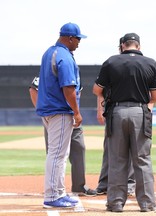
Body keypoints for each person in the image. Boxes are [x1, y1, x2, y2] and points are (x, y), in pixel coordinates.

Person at [93, 33, 156, 212]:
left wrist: (101, 109)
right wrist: (145, 110)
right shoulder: (151, 63)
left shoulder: (111, 62)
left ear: (123, 45)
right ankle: (146, 203)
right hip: (140, 111)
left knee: (117, 159)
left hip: (117, 112)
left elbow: (97, 89)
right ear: (138, 46)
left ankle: (115, 203)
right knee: (142, 160)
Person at [36, 22, 87, 208]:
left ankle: (59, 192)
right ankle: (51, 196)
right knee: (57, 155)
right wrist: (77, 112)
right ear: (70, 38)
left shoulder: (50, 52)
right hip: (60, 110)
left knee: (59, 154)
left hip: (50, 109)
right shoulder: (64, 56)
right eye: (78, 39)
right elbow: (68, 88)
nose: (79, 42)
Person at [29, 77, 97, 197]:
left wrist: (76, 112)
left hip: (71, 116)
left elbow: (77, 94)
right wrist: (41, 110)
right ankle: (54, 188)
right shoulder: (49, 72)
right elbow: (33, 89)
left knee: (79, 148)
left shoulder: (75, 73)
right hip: (56, 116)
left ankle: (79, 186)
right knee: (55, 153)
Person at [95, 37, 136, 196]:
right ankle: (104, 184)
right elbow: (100, 90)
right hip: (113, 110)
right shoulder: (112, 64)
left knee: (131, 149)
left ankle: (129, 185)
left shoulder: (140, 64)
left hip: (128, 110)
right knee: (110, 149)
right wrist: (100, 110)